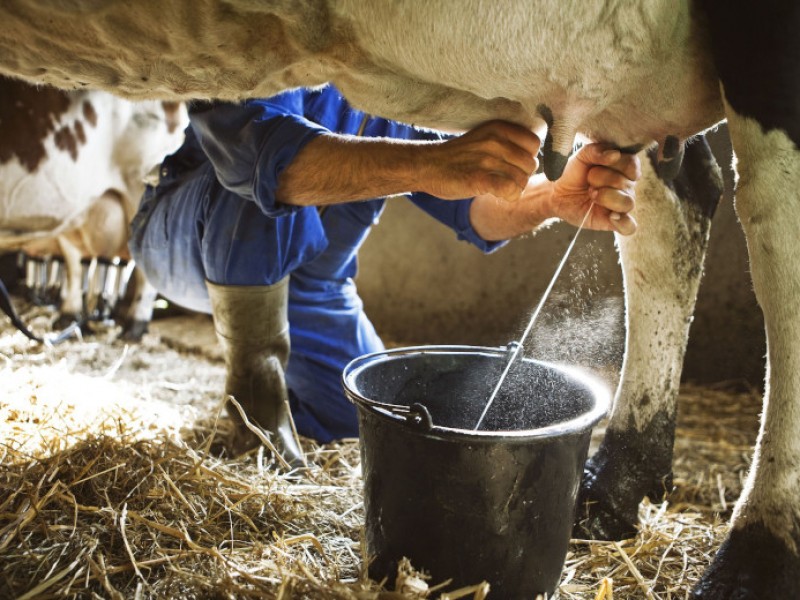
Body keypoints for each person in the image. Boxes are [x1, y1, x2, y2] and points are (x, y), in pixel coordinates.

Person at [129, 84, 639, 463]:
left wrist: (552, 197)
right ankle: (254, 412)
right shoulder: (274, 31)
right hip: (184, 234)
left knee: (373, 419)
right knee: (259, 181)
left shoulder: (398, 80)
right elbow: (261, 159)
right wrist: (432, 164)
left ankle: (292, 404)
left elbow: (475, 208)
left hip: (312, 289)